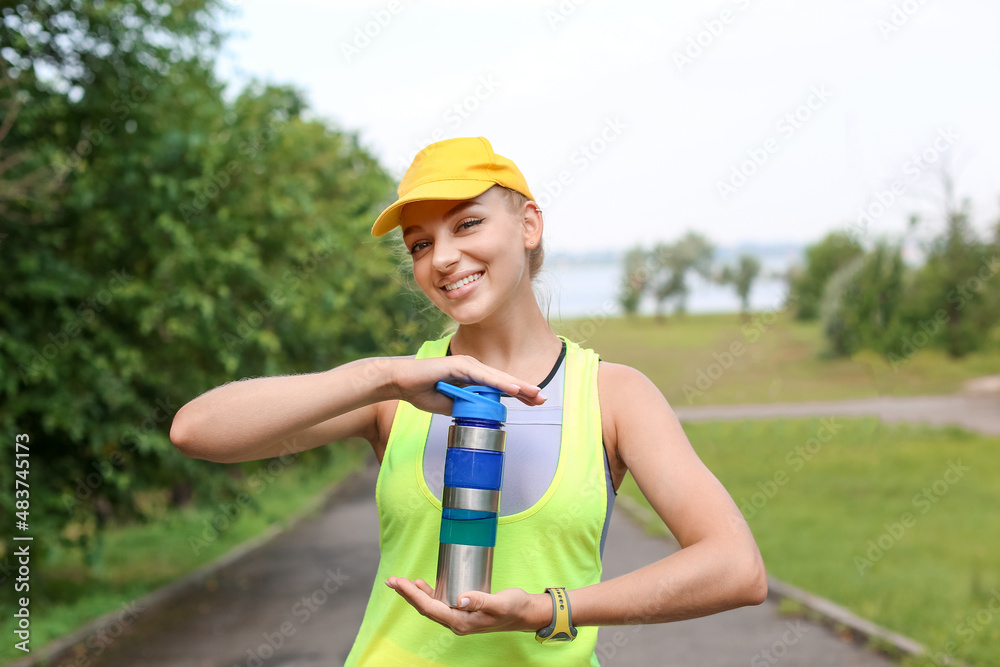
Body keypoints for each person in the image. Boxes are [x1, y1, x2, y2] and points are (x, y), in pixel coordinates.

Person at [170, 136, 767, 665]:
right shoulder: (399, 391)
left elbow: (735, 568)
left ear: (528, 225)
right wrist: (381, 375)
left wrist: (548, 609)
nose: (443, 258)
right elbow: (196, 432)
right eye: (420, 245)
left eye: (467, 224)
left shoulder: (612, 395)